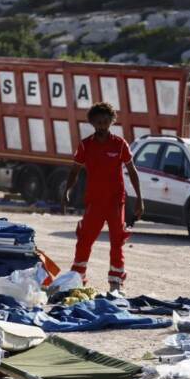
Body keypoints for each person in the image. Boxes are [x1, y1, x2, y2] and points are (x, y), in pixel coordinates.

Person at [63, 102, 143, 291]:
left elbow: (132, 172)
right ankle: (78, 278)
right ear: (92, 123)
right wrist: (67, 190)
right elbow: (74, 171)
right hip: (94, 202)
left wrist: (140, 199)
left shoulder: (120, 144)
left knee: (117, 240)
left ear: (111, 122)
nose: (102, 126)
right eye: (98, 122)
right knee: (84, 239)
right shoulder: (86, 145)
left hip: (115, 202)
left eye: (105, 122)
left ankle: (115, 283)